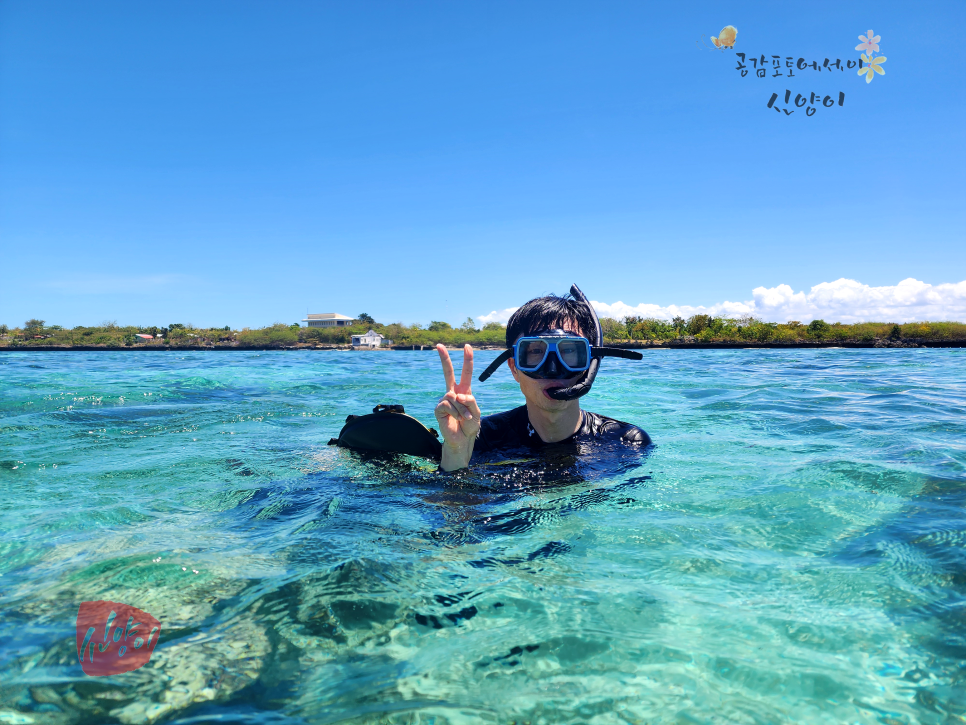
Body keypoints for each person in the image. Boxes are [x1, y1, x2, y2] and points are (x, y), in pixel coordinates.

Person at [434, 286, 651, 472]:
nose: (553, 369)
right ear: (514, 368)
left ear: (590, 365)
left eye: (570, 352)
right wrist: (455, 454)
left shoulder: (626, 443)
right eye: (536, 352)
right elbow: (454, 519)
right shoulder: (481, 439)